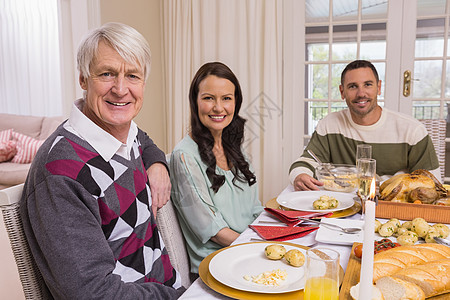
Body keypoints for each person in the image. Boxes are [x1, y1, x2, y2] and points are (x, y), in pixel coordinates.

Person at [20, 23, 184, 299]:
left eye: (132, 75)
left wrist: (157, 162)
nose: (120, 89)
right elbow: (93, 293)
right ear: (83, 79)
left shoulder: (124, 133)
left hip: (172, 287)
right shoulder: (61, 173)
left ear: (143, 83)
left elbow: (141, 138)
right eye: (107, 74)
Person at [169, 62, 263, 273]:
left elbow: (254, 209)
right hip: (218, 264)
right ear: (195, 102)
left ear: (236, 103)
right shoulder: (184, 157)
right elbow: (214, 231)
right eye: (208, 98)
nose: (218, 107)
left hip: (245, 252)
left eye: (226, 98)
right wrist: (259, 249)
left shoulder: (234, 148)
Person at [289, 59, 440, 191]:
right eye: (353, 86)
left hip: (394, 208)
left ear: (379, 87)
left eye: (368, 84)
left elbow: (431, 182)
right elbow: (306, 161)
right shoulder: (329, 125)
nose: (361, 93)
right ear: (342, 92)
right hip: (342, 206)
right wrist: (300, 175)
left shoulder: (411, 130)